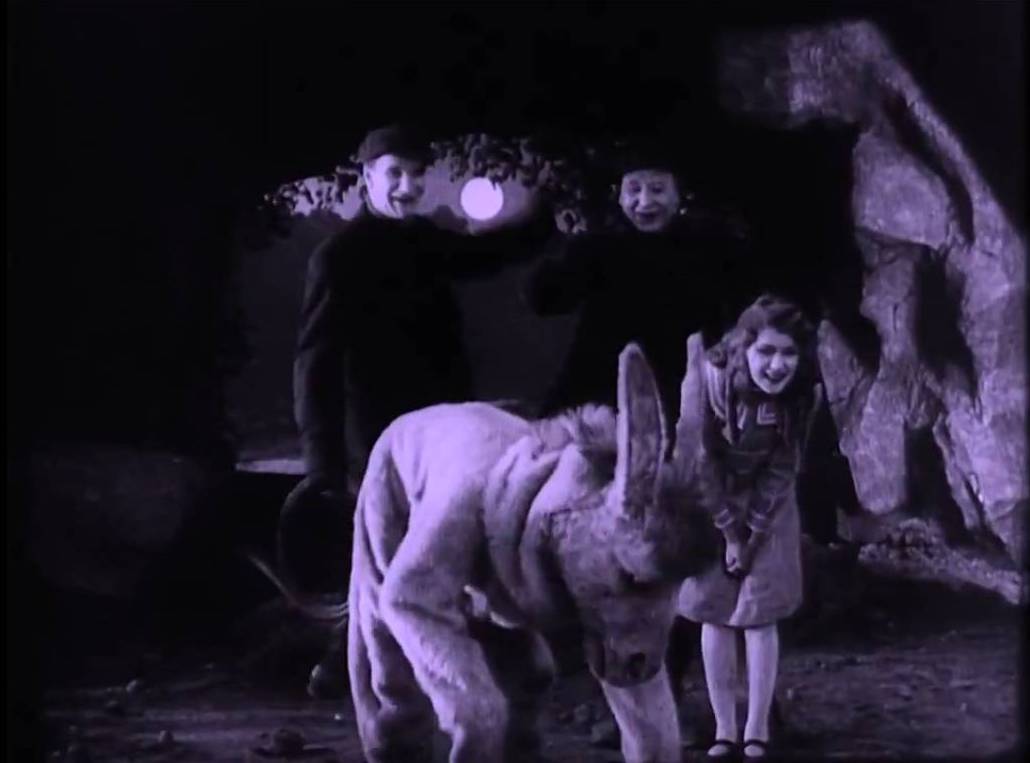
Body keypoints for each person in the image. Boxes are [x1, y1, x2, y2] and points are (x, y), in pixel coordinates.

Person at [285, 123, 542, 698]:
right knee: (380, 554)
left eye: (416, 175)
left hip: (445, 429)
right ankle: (349, 667)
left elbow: (489, 254)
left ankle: (445, 667)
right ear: (368, 178)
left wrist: (538, 214)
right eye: (394, 174)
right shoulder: (338, 257)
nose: (407, 187)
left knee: (448, 547)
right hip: (377, 433)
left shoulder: (426, 241)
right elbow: (314, 364)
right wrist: (322, 461)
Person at [525, 138, 759, 433]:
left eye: (657, 189)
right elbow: (544, 300)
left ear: (679, 194)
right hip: (598, 390)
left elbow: (747, 312)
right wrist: (559, 248)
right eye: (634, 190)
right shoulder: (599, 247)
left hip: (682, 394)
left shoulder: (712, 246)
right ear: (620, 195)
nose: (645, 202)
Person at [676, 295, 821, 759]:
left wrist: (753, 536)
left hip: (768, 505)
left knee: (760, 614)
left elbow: (783, 466)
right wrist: (728, 533)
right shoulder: (709, 381)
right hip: (711, 498)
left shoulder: (802, 394)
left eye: (789, 353)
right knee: (714, 611)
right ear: (744, 347)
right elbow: (699, 462)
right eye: (766, 352)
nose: (777, 366)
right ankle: (724, 727)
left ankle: (757, 728)